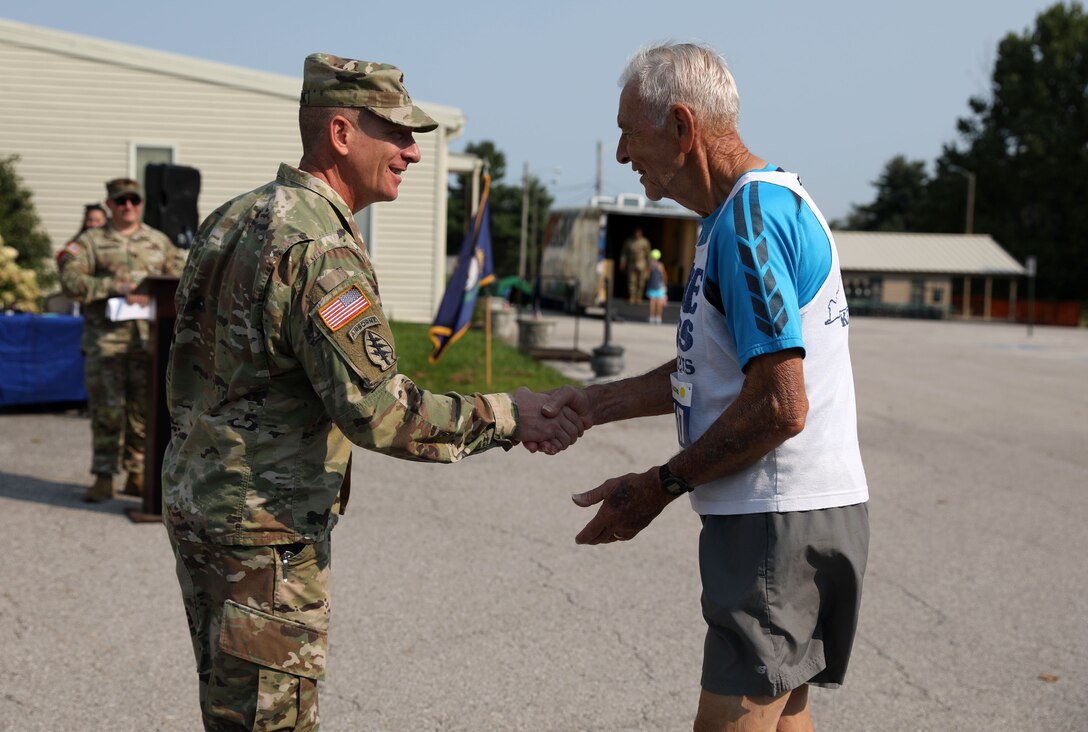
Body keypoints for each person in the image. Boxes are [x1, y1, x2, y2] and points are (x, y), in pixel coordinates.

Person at [161, 53, 589, 731]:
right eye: (396, 133)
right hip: (264, 538)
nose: (413, 152)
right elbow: (382, 412)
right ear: (340, 133)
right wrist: (511, 414)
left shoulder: (232, 218)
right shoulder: (318, 247)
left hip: (201, 512)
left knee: (232, 712)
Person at [558, 43, 870, 731]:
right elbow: (718, 370)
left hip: (775, 521)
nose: (619, 154)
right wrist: (594, 405)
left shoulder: (750, 220)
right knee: (787, 716)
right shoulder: (750, 211)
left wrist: (662, 484)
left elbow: (780, 404)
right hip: (804, 513)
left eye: (626, 131)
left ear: (680, 125)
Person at [57, 178, 186, 502]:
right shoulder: (90, 242)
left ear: (141, 203)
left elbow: (182, 280)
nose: (128, 206)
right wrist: (114, 286)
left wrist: (155, 295)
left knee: (144, 411)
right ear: (109, 204)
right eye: (121, 201)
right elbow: (71, 280)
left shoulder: (158, 241)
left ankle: (138, 473)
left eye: (133, 200)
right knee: (107, 411)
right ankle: (103, 475)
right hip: (107, 342)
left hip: (149, 343)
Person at [619, 227, 652, 303]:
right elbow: (624, 253)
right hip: (631, 264)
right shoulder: (629, 241)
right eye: (636, 232)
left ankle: (639, 297)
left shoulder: (645, 241)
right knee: (631, 281)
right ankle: (632, 297)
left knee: (641, 282)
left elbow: (648, 255)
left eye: (639, 233)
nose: (637, 234)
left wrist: (648, 267)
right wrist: (622, 262)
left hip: (641, 264)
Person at [645, 248, 668, 323]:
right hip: (659, 286)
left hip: (652, 285)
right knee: (659, 303)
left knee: (652, 302)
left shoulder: (650, 265)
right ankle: (658, 318)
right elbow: (664, 276)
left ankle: (651, 317)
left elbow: (647, 276)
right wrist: (665, 283)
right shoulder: (660, 265)